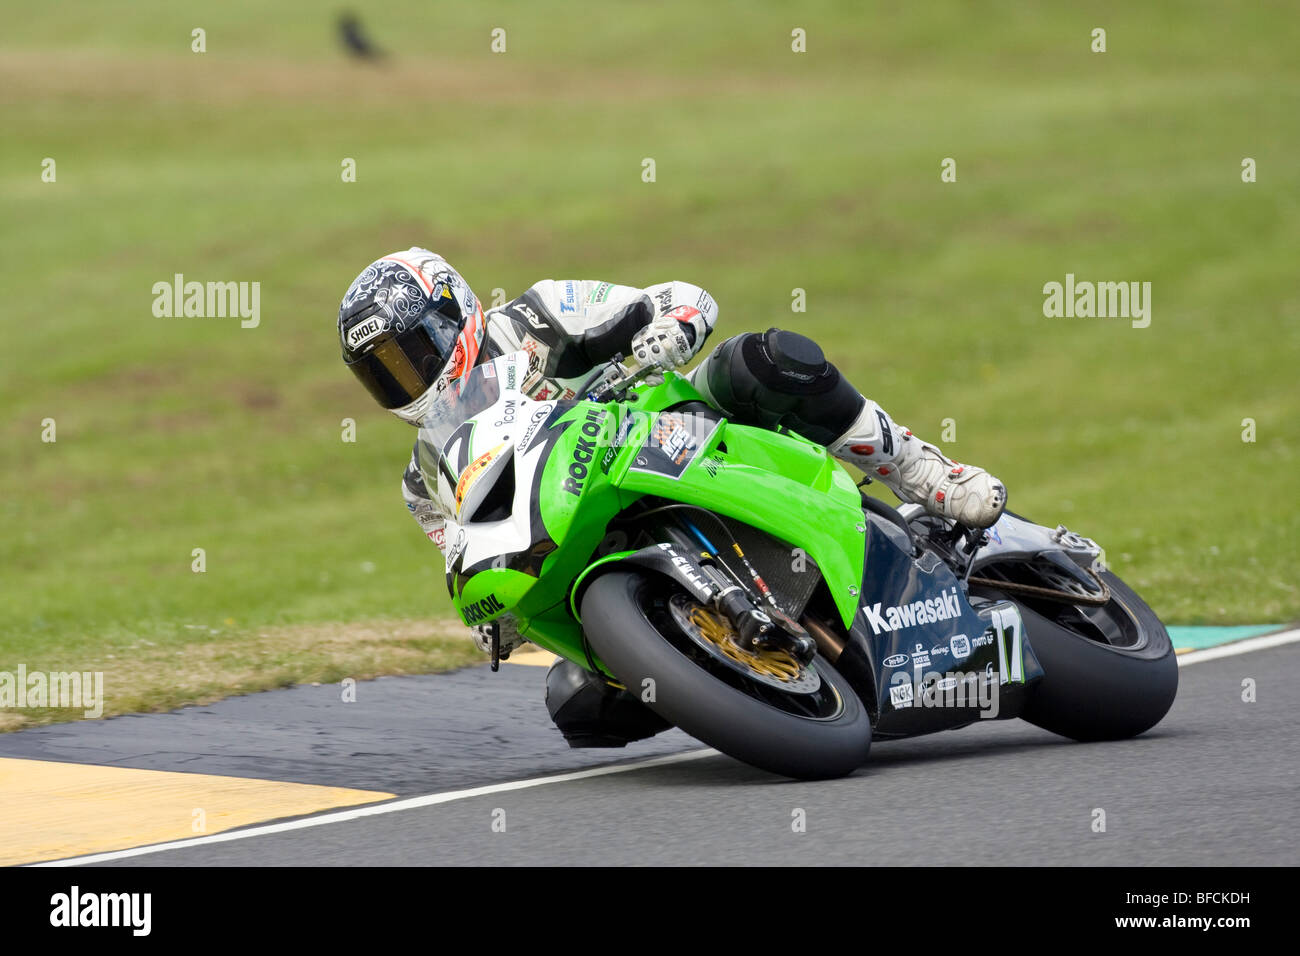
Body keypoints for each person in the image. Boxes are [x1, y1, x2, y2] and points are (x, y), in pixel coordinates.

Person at [339, 248, 1006, 746]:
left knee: (765, 360)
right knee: (577, 709)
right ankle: (730, 666)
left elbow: (683, 298)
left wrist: (669, 327)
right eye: (383, 373)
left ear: (454, 311)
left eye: (412, 351)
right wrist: (494, 614)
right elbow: (465, 545)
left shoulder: (539, 314)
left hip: (680, 432)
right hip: (584, 539)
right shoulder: (423, 482)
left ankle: (925, 473)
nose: (406, 378)